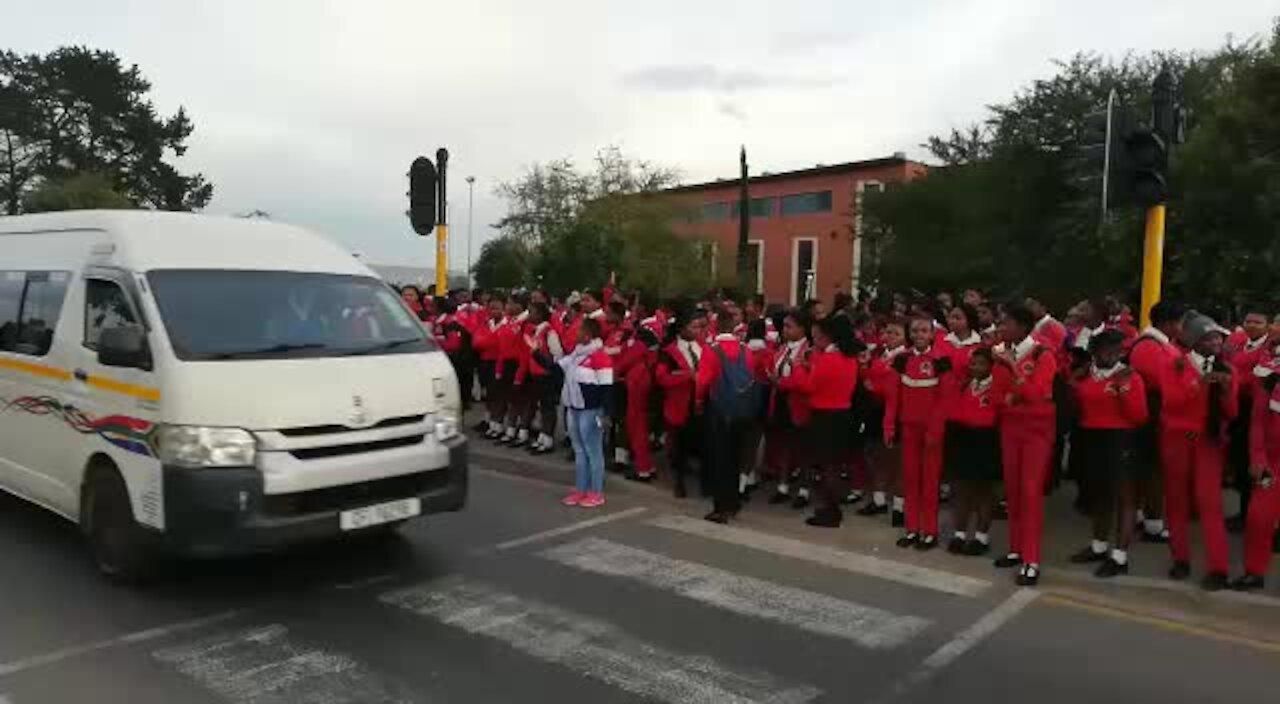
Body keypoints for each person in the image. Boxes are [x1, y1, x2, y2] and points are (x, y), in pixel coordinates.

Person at [1160, 313, 1237, 590]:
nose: (1216, 341)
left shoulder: (1227, 369)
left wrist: (1227, 390)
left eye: (1218, 337)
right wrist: (1200, 383)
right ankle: (1180, 559)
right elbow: (1171, 403)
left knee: (1210, 503)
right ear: (1194, 341)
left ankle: (1219, 568)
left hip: (1208, 442)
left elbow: (1232, 413)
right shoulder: (1174, 365)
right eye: (1209, 337)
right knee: (1177, 501)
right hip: (1177, 440)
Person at [1068, 329, 1150, 577]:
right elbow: (1074, 399)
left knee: (1125, 498)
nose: (1112, 355)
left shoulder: (1129, 376)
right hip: (1091, 437)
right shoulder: (1086, 375)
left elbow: (1140, 416)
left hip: (1120, 439)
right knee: (1099, 495)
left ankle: (1120, 556)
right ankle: (1099, 546)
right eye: (1106, 350)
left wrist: (1122, 390)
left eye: (1117, 350)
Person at [992, 304, 1058, 586]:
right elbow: (998, 395)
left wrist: (1012, 369)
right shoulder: (1000, 354)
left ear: (1021, 326)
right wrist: (1015, 392)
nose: (1000, 327)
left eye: (1005, 322)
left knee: (1030, 493)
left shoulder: (1043, 355)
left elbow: (1034, 394)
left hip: (1036, 431)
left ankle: (1032, 559)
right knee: (1014, 490)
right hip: (1010, 428)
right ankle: (1016, 548)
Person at [781, 315, 861, 527]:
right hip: (842, 412)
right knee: (833, 465)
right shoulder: (849, 357)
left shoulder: (830, 358)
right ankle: (831, 508)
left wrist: (798, 367)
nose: (814, 340)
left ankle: (830, 510)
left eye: (817, 336)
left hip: (826, 415)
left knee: (827, 467)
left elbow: (809, 386)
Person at [886, 316, 950, 550]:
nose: (919, 334)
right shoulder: (901, 360)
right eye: (915, 331)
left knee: (930, 482)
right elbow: (893, 397)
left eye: (924, 330)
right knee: (910, 479)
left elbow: (944, 399)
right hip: (909, 428)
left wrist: (936, 430)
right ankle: (912, 529)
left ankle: (930, 531)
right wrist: (889, 426)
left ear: (932, 334)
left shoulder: (941, 360)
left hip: (931, 430)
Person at [696, 310, 764, 524]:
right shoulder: (745, 350)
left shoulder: (711, 351)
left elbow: (703, 382)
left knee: (719, 459)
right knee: (735, 457)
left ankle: (720, 507)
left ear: (715, 327)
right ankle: (734, 503)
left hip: (719, 410)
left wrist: (698, 402)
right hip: (742, 410)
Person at [1128, 300, 1187, 544]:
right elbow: (1162, 381)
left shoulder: (1162, 344)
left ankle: (1144, 515)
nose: (1182, 328)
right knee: (1152, 469)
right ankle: (1153, 523)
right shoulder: (1148, 347)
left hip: (1158, 413)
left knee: (1150, 468)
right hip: (1150, 415)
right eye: (1180, 323)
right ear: (1168, 323)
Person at [943, 347, 1003, 556]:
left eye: (981, 364)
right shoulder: (966, 384)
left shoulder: (996, 388)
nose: (975, 367)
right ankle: (959, 534)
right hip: (964, 439)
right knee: (961, 490)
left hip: (987, 442)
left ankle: (981, 537)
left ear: (991, 367)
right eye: (973, 363)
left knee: (984, 492)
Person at [1224, 305, 1274, 530]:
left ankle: (1259, 519)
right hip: (1239, 410)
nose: (1251, 325)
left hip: (1260, 410)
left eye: (1258, 322)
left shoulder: (1269, 350)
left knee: (1259, 465)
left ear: (1268, 326)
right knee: (1242, 461)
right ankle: (1247, 514)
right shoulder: (1238, 344)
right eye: (1248, 321)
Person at [1233, 355, 1280, 591]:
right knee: (1258, 518)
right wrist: (1258, 457)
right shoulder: (1269, 375)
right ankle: (1254, 572)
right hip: (1271, 462)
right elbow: (1258, 422)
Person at [559, 318, 613, 509]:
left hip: (592, 411)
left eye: (579, 330)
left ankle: (596, 492)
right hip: (574, 408)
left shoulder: (600, 356)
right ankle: (581, 489)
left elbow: (607, 388)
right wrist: (535, 353)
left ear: (588, 334)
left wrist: (606, 414)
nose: (576, 333)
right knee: (580, 451)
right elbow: (557, 368)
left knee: (593, 451)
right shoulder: (575, 355)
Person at [656, 311, 707, 499]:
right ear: (681, 328)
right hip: (679, 405)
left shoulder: (704, 347)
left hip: (702, 403)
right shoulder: (668, 351)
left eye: (699, 327)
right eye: (693, 327)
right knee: (680, 446)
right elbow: (662, 378)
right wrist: (687, 376)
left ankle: (704, 482)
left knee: (703, 444)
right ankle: (679, 482)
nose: (697, 331)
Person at [765, 310, 812, 505]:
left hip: (801, 402)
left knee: (803, 448)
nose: (784, 330)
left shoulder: (809, 351)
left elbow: (807, 381)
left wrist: (781, 382)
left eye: (789, 326)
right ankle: (782, 486)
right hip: (782, 400)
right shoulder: (783, 348)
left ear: (802, 328)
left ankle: (804, 490)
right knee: (784, 444)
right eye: (784, 326)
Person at [619, 327, 661, 482]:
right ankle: (647, 466)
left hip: (637, 385)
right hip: (645, 387)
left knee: (637, 429)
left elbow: (624, 363)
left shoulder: (639, 347)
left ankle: (642, 469)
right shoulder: (653, 352)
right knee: (641, 429)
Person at [524, 302, 565, 455]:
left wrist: (547, 365)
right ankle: (542, 437)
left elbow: (558, 354)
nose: (529, 315)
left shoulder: (549, 332)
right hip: (537, 374)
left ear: (540, 315)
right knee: (543, 407)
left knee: (548, 408)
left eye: (532, 312)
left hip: (546, 376)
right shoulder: (537, 331)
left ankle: (548, 439)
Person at [495, 294, 532, 446]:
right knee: (511, 399)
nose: (507, 307)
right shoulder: (509, 321)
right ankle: (510, 429)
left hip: (520, 364)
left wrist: (520, 373)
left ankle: (523, 431)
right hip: (508, 364)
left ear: (520, 305)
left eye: (510, 303)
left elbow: (525, 350)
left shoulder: (525, 323)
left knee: (523, 400)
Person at [474, 296, 507, 437]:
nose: (493, 311)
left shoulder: (506, 324)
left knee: (498, 394)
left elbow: (501, 344)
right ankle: (488, 420)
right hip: (485, 361)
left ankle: (497, 422)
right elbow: (476, 342)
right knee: (487, 392)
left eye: (497, 308)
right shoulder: (486, 323)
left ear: (504, 309)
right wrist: (490, 340)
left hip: (499, 362)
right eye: (491, 308)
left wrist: (487, 340)